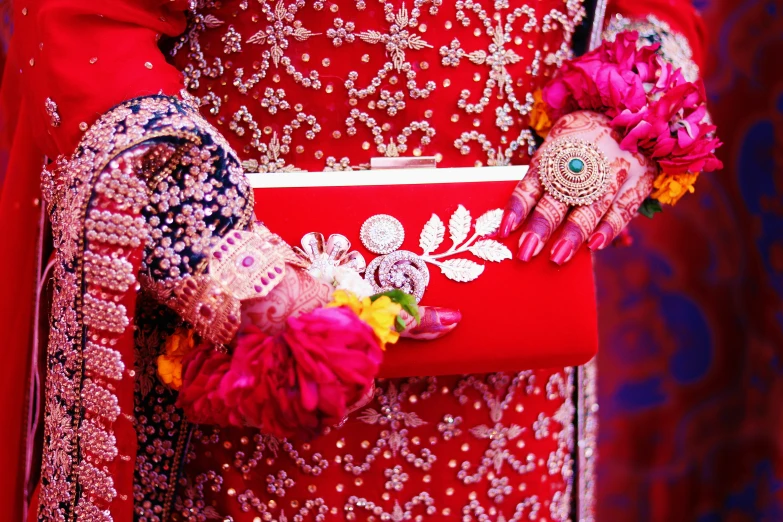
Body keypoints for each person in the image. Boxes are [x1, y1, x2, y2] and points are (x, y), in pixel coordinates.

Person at [0, 0, 720, 521]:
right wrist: (239, 274)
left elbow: (650, 17)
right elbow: (78, 37)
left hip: (511, 388)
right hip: (242, 364)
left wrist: (618, 124)